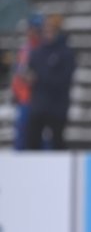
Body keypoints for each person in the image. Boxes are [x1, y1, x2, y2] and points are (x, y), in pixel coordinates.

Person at [25, 14, 76, 150]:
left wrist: (40, 77)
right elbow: (30, 71)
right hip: (38, 105)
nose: (47, 33)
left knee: (57, 142)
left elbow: (64, 79)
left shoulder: (65, 53)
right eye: (45, 30)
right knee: (32, 142)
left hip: (57, 106)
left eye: (51, 29)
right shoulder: (37, 52)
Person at [10, 13, 43, 150]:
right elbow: (18, 71)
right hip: (23, 99)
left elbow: (41, 74)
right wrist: (15, 91)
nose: (30, 32)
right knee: (21, 137)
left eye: (33, 29)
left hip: (36, 100)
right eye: (29, 29)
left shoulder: (41, 49)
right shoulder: (25, 48)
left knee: (37, 138)